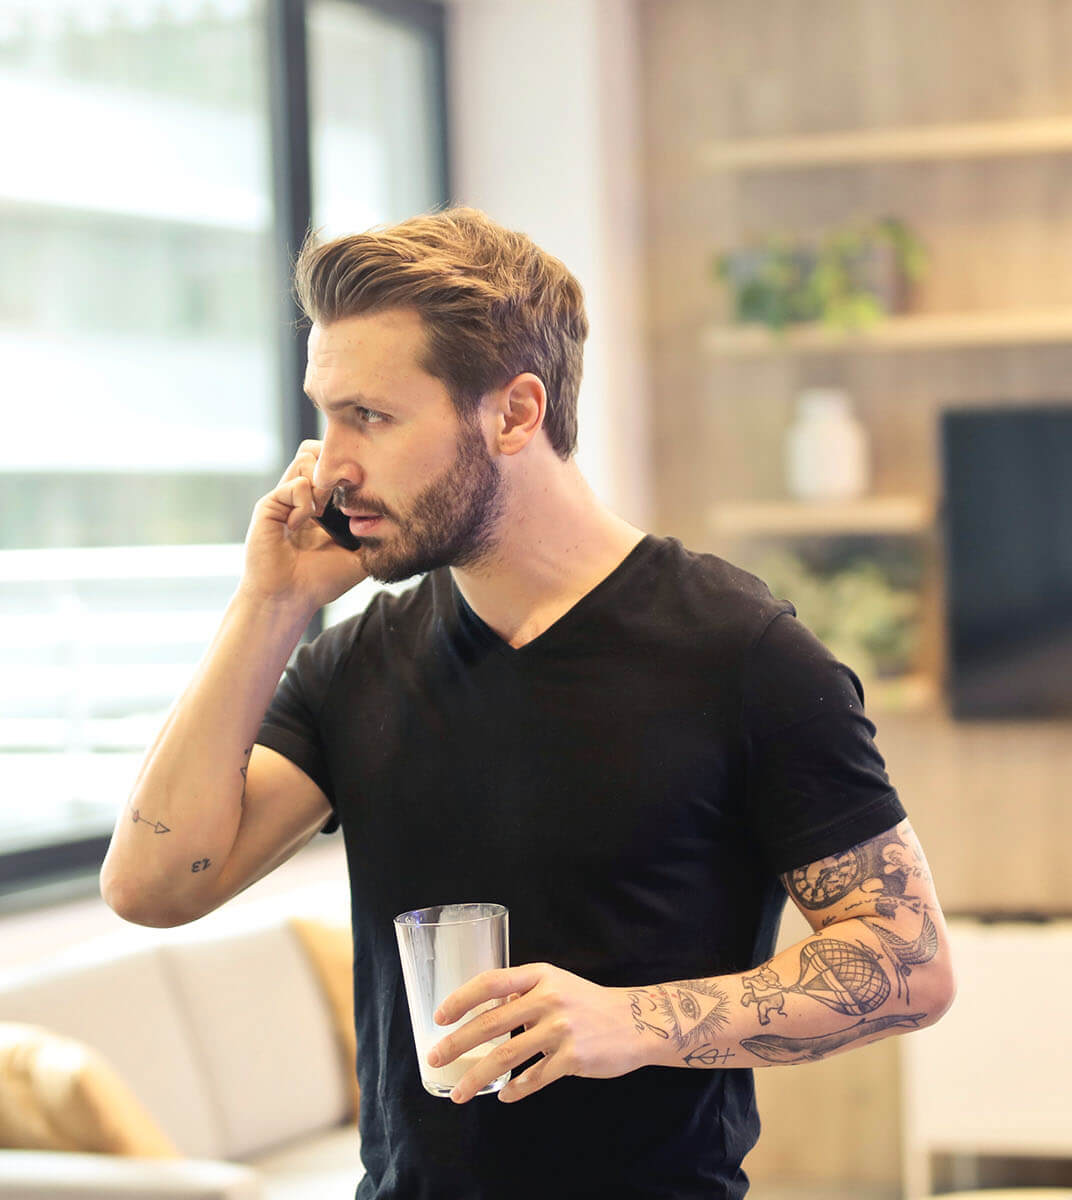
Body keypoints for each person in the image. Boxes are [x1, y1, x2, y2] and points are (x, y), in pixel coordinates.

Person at [98, 206, 955, 1198]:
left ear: (514, 414)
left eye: (370, 416)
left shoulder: (743, 654)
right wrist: (271, 600)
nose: (330, 463)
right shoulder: (359, 661)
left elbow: (908, 961)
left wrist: (628, 1024)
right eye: (325, 414)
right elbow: (153, 886)